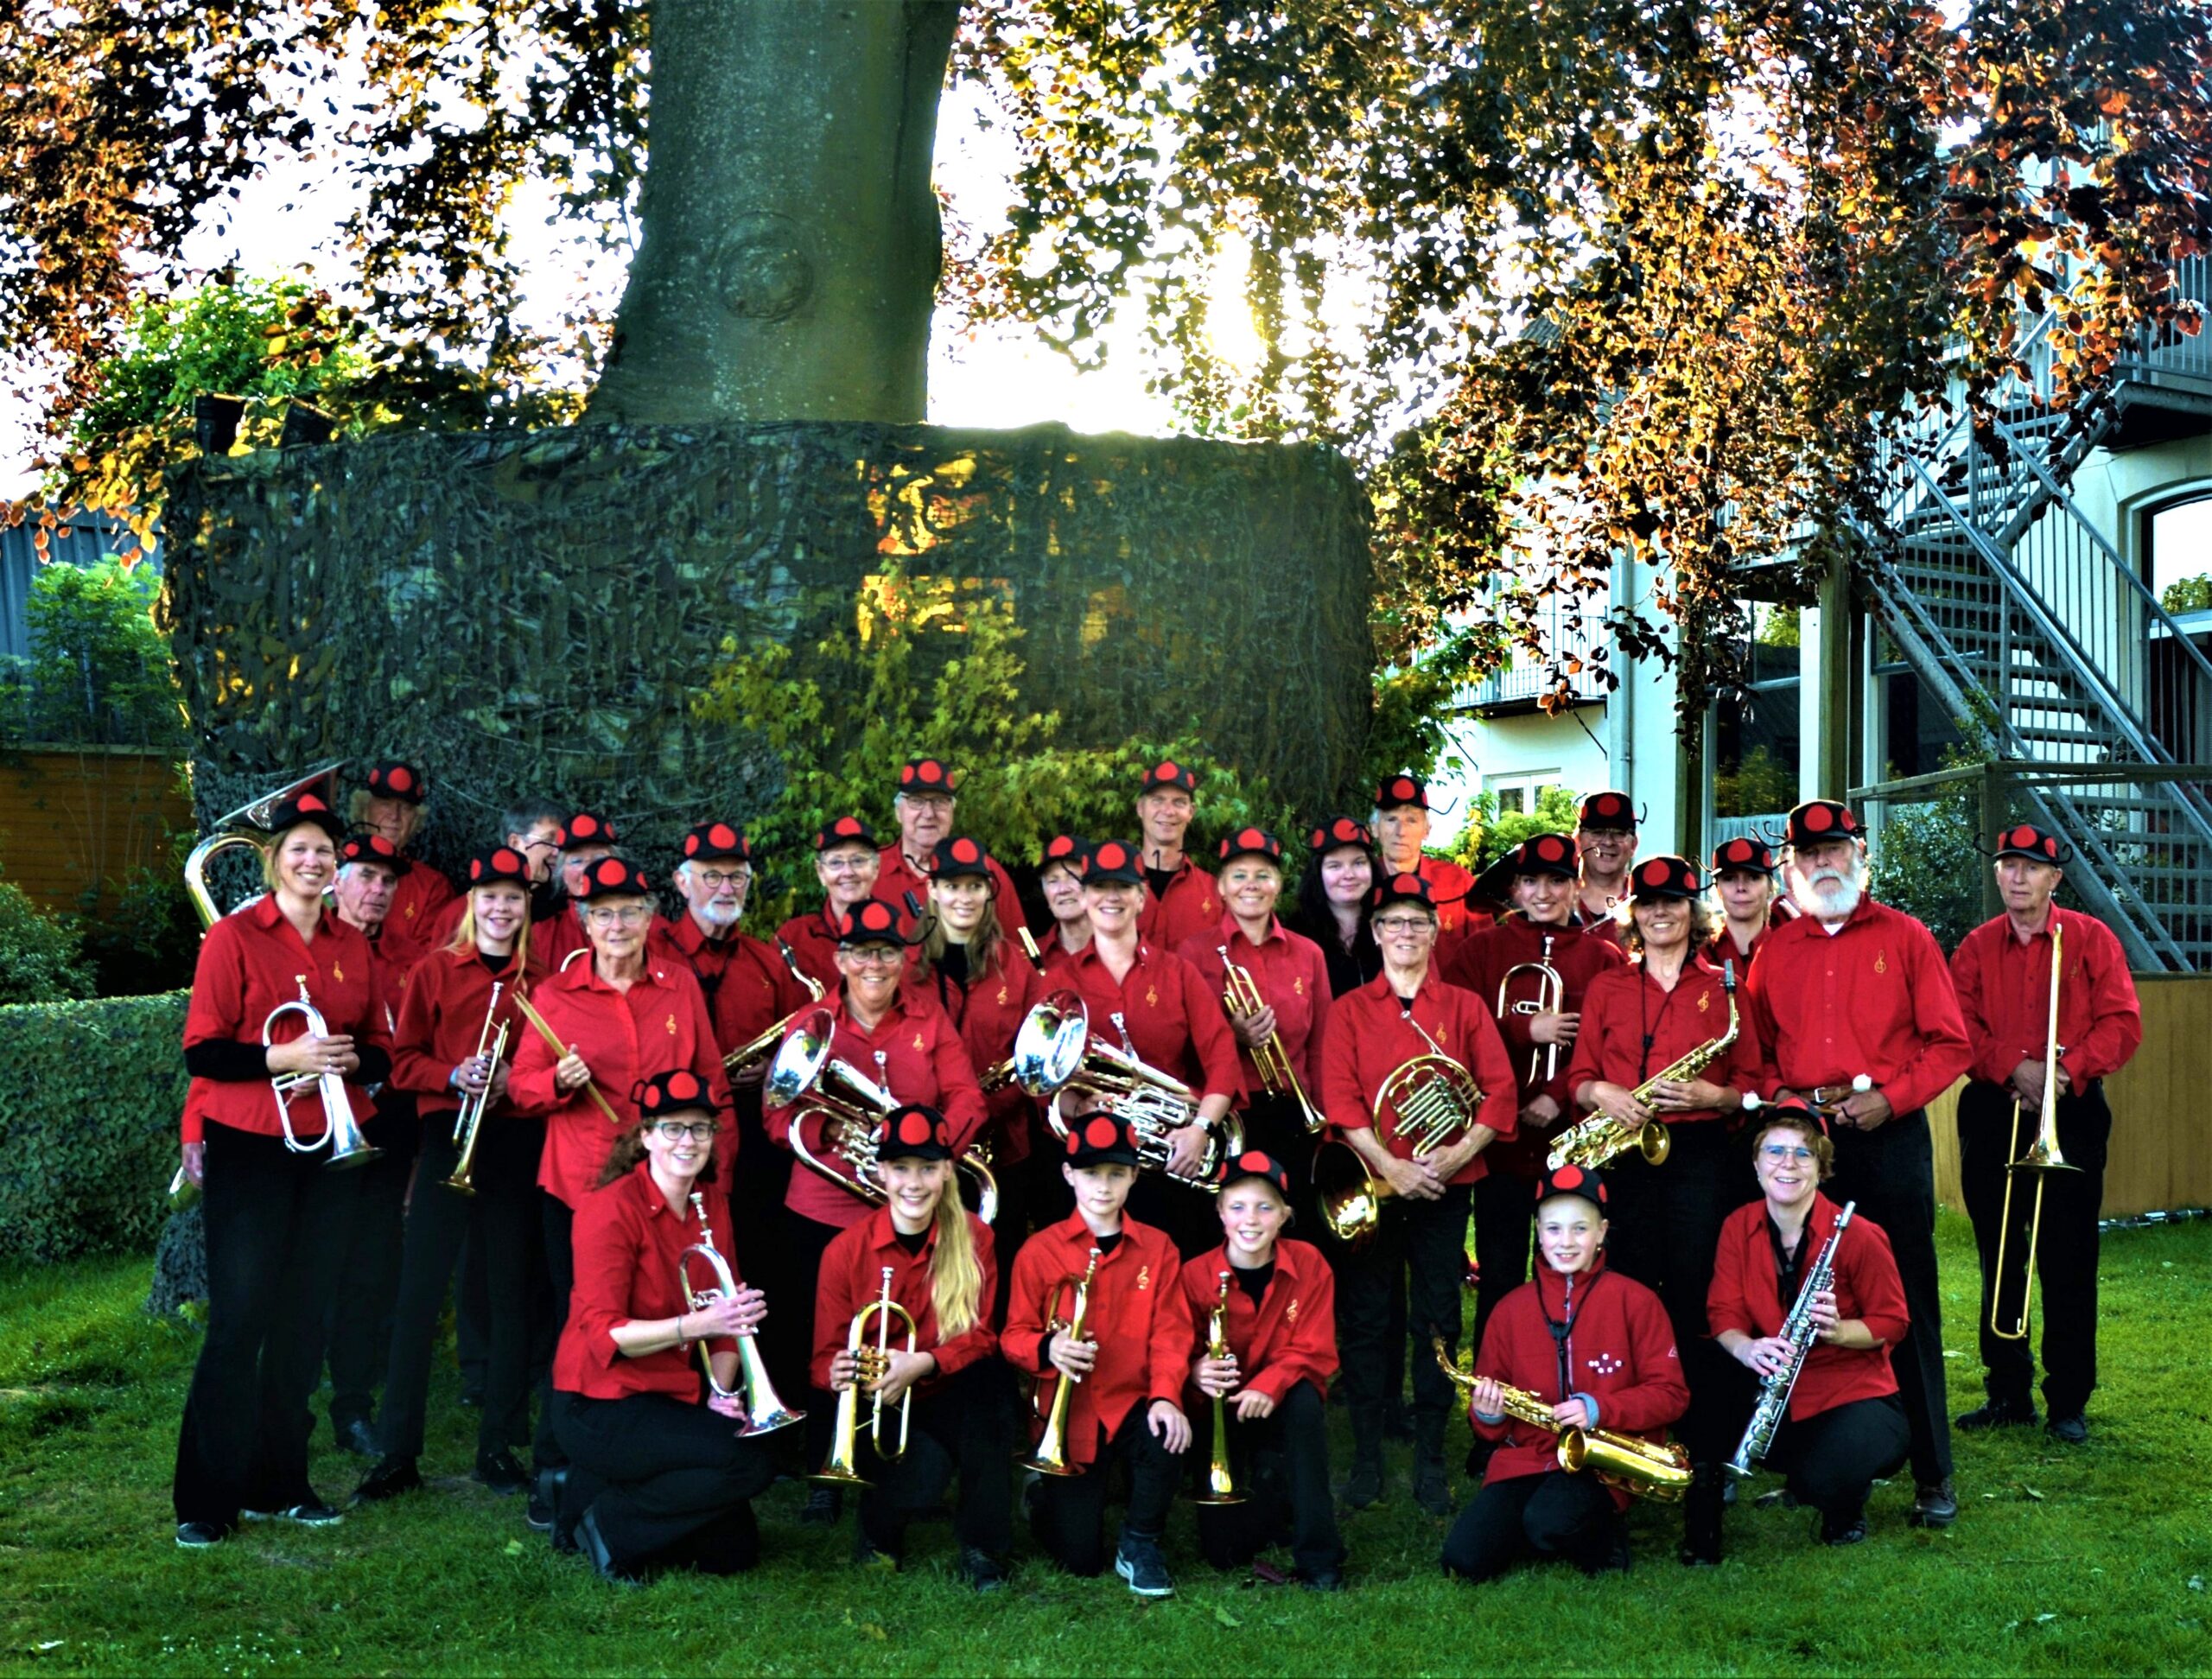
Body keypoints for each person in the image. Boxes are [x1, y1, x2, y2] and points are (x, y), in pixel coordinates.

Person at [1742, 798, 1972, 1530]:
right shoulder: (1777, 949)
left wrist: (1894, 1100)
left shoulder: (1906, 937)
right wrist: (1783, 1100)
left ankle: (1933, 1473)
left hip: (1887, 1137)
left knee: (1907, 1301)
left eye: (1834, 850)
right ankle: (1824, 1459)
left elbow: (1950, 1042)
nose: (1822, 864)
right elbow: (1760, 1047)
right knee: (1806, 1301)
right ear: (1792, 866)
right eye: (1808, 856)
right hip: (1809, 1145)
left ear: (1859, 853)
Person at [172, 791, 393, 1548]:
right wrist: (284, 1056)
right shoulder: (233, 938)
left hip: (332, 1147)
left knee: (305, 1320)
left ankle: (281, 1482)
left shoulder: (353, 945)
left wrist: (344, 1059)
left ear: (338, 868)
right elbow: (203, 1050)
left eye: (325, 852)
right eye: (299, 849)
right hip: (252, 1146)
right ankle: (205, 1498)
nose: (313, 860)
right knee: (240, 1322)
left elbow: (380, 1047)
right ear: (273, 860)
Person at [506, 854, 731, 1525]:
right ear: (583, 922)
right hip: (580, 1189)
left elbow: (712, 1082)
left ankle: (648, 1447)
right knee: (578, 1327)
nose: (617, 925)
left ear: (650, 916)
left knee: (664, 1314)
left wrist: (716, 1174)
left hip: (670, 1185)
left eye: (629, 911)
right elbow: (520, 1086)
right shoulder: (554, 995)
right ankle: (556, 1463)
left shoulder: (679, 985)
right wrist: (556, 1082)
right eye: (602, 914)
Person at [1566, 854, 1768, 1561]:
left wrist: (1713, 1098)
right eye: (1648, 903)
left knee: (1694, 1306)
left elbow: (1752, 1081)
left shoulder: (1726, 988)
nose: (1660, 913)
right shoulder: (1606, 985)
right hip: (1622, 1157)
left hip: (1700, 1162)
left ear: (1694, 911)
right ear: (1634, 912)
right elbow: (1580, 1074)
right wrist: (1602, 1096)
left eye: (1674, 902)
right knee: (1618, 1301)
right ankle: (1622, 1453)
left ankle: (1708, 1460)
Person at [762, 895, 988, 1524]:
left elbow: (967, 1096)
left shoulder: (929, 1016)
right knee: (825, 1339)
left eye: (888, 952)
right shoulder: (811, 1021)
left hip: (908, 1201)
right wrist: (832, 1139)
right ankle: (824, 1471)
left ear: (903, 958)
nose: (875, 964)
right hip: (824, 1201)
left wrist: (926, 1140)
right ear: (840, 957)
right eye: (863, 952)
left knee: (904, 1330)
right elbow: (778, 1114)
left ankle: (892, 1453)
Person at [1317, 872, 1517, 1516]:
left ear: (1434, 932)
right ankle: (1369, 1457)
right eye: (1393, 923)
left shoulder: (1463, 1006)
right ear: (1375, 934)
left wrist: (1453, 1155)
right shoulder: (1348, 1009)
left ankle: (1430, 1456)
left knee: (1437, 1320)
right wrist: (1391, 1167)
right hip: (1377, 1185)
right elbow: (1341, 1100)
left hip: (1445, 1183)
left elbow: (1498, 1091)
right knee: (1370, 1321)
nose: (1405, 933)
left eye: (1417, 923)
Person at [355, 844, 543, 1506]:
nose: (500, 907)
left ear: (526, 907)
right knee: (419, 1292)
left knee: (510, 1290)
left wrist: (513, 1081)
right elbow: (402, 1063)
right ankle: (397, 1451)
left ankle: (498, 1445)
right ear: (472, 904)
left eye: (513, 897)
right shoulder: (436, 971)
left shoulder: (541, 979)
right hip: (446, 1137)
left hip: (513, 1138)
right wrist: (452, 1074)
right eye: (488, 896)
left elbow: (548, 1064)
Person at [1948, 824, 2141, 1444]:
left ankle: (2067, 1399)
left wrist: (2065, 1071)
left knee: (2069, 1252)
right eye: (2008, 865)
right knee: (1999, 1251)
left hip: (2073, 1109)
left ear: (2055, 878)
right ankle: (2007, 1389)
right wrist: (2016, 1067)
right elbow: (1958, 1026)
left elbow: (2122, 1023)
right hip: (1994, 1109)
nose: (2017, 876)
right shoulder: (1975, 948)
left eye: (2031, 867)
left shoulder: (2091, 939)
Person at [550, 1073, 779, 1582]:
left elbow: (726, 1325)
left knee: (733, 1553)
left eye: (700, 1130)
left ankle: (584, 1492)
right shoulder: (606, 1211)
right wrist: (696, 1323)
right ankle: (606, 1524)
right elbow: (606, 1335)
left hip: (671, 1396)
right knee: (751, 1463)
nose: (687, 1142)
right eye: (673, 1129)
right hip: (600, 1403)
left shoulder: (710, 1204)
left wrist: (721, 1391)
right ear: (646, 1137)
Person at [1440, 1165, 1688, 1584]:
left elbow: (1671, 1395)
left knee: (1548, 1522)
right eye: (1554, 1229)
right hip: (1528, 1458)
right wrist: (1489, 1416)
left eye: (1580, 1229)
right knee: (1463, 1560)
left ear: (1602, 1232)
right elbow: (1488, 1428)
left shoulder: (1637, 1301)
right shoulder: (1509, 1310)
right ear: (1537, 1230)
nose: (1566, 1242)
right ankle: (1543, 1527)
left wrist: (1599, 1408)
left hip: (1606, 1460)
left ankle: (1599, 1540)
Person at [810, 1104, 1011, 1589]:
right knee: (918, 1486)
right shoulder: (844, 1251)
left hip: (946, 1388)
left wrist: (922, 1363)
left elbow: (981, 1335)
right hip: (880, 1402)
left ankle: (983, 1547)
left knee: (993, 1390)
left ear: (947, 1171)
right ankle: (879, 1537)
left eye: (927, 1168)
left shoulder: (976, 1238)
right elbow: (822, 1357)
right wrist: (839, 1372)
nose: (913, 1183)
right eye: (900, 1168)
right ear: (881, 1172)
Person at [1442, 834, 1624, 1354]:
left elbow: (1611, 1048)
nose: (1543, 892)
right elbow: (1452, 1033)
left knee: (1569, 1270)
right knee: (1499, 1271)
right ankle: (1492, 1394)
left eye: (1557, 881)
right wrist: (1526, 1031)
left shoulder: (1603, 957)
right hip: (1497, 1140)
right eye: (1531, 881)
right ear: (1517, 888)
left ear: (1577, 886)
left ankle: (1568, 1382)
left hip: (1570, 1141)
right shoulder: (1481, 951)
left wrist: (1557, 1094)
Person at [1001, 1113, 1195, 1596]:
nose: (1102, 1187)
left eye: (1115, 1174)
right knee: (1079, 1559)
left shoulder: (1159, 1248)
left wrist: (1167, 1395)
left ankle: (1140, 1541)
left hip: (1133, 1399)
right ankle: (1043, 1495)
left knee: (1167, 1433)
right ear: (1068, 1175)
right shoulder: (1039, 1250)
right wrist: (1049, 1347)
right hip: (1073, 1414)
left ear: (1134, 1175)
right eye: (1090, 1174)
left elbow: (1171, 1334)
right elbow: (1012, 1336)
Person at [1708, 1104, 1913, 1549]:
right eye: (1775, 1151)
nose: (1788, 1164)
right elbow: (1723, 1313)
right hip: (1778, 1387)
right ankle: (1807, 1475)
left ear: (1822, 1168)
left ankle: (1844, 1501)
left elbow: (1893, 1322)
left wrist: (1839, 1331)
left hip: (1852, 1389)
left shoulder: (1858, 1233)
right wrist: (1748, 1349)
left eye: (1804, 1154)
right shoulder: (1736, 1226)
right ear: (1757, 1164)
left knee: (1825, 1479)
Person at [1052, 837, 1243, 1256]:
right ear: (1084, 898)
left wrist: (1199, 1130)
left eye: (1123, 888)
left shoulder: (1178, 973)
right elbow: (1043, 1081)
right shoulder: (1057, 982)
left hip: (1175, 1159)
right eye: (1100, 888)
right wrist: (1076, 1108)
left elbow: (1223, 1058)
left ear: (1141, 899)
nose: (1112, 898)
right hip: (1095, 1167)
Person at [649, 820, 814, 1268]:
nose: (726, 888)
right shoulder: (653, 953)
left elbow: (798, 1042)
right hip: (675, 1128)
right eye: (712, 876)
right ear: (682, 883)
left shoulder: (767, 960)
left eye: (737, 876)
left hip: (754, 1128)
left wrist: (775, 1068)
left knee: (759, 1251)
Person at [1181, 1149, 1344, 1590]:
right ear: (1219, 1213)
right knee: (1223, 1554)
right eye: (1237, 1207)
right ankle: (1269, 1502)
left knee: (1307, 1403)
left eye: (1264, 1207)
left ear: (1285, 1216)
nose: (1249, 1220)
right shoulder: (1194, 1275)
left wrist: (1270, 1386)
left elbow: (1316, 1349)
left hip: (1283, 1400)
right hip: (1218, 1405)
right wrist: (1194, 1371)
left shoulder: (1309, 1262)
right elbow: (1173, 1345)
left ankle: (1320, 1557)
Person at [321, 830, 429, 1460]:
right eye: (366, 876)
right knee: (309, 1263)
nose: (378, 890)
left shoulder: (415, 960)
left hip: (385, 1124)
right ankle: (288, 1392)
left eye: (389, 881)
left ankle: (353, 1406)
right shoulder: (305, 947)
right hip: (312, 1126)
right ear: (338, 880)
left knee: (369, 1268)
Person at [910, 836, 1042, 1291]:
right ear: (933, 890)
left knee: (995, 1270)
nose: (963, 897)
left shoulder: (1015, 965)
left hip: (1002, 1148)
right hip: (922, 1148)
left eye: (974, 886)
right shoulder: (906, 964)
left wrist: (993, 1105)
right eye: (952, 886)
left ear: (989, 892)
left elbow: (1039, 1057)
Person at [1176, 827, 1333, 1209]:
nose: (1252, 885)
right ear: (1221, 888)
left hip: (1295, 1112)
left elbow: (1321, 1046)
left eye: (1263, 875)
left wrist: (1324, 1118)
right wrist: (1231, 1036)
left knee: (1292, 1218)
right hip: (1227, 1113)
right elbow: (1179, 1045)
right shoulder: (1193, 952)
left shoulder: (1308, 953)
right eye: (1239, 875)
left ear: (1278, 885)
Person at [873, 757, 1025, 936]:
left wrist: (1031, 961)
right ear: (899, 812)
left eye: (940, 802)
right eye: (917, 801)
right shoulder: (870, 871)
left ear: (952, 812)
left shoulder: (987, 870)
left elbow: (1022, 939)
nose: (929, 814)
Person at [778, 816, 887, 993]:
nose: (848, 872)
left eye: (858, 860)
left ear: (876, 868)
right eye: (836, 862)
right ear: (821, 872)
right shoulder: (792, 938)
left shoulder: (900, 932)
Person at [352, 759, 454, 944]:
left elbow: (430, 965)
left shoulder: (432, 887)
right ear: (364, 809)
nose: (395, 816)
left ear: (415, 821)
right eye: (385, 804)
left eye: (406, 808)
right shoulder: (331, 867)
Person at [1373, 774, 1482, 944]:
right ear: (1374, 829)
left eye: (1411, 820)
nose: (1401, 831)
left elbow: (1486, 955)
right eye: (1391, 819)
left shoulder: (1458, 884)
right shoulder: (1361, 885)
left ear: (1427, 830)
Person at [1287, 816, 1382, 999]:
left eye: (1358, 863)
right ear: (1318, 873)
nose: (1349, 875)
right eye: (1335, 866)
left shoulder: (1392, 927)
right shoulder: (1296, 934)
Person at [1133, 758, 1221, 951]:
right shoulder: (1111, 888)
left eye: (1179, 802)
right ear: (1140, 808)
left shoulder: (1215, 894)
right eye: (1158, 800)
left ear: (1191, 812)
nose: (1168, 811)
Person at [1706, 835, 1795, 970]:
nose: (1741, 887)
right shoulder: (1699, 954)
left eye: (1753, 877)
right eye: (1729, 878)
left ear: (1770, 887)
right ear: (1717, 889)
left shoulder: (1792, 949)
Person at [1573, 791, 1639, 947]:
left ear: (1634, 845)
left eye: (1619, 834)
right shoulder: (1554, 901)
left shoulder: (1648, 904)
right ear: (1578, 841)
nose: (1608, 842)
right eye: (1597, 832)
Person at [1034, 833, 1093, 970]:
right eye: (1053, 881)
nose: (1063, 889)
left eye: (1073, 877)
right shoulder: (1029, 959)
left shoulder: (1120, 952)